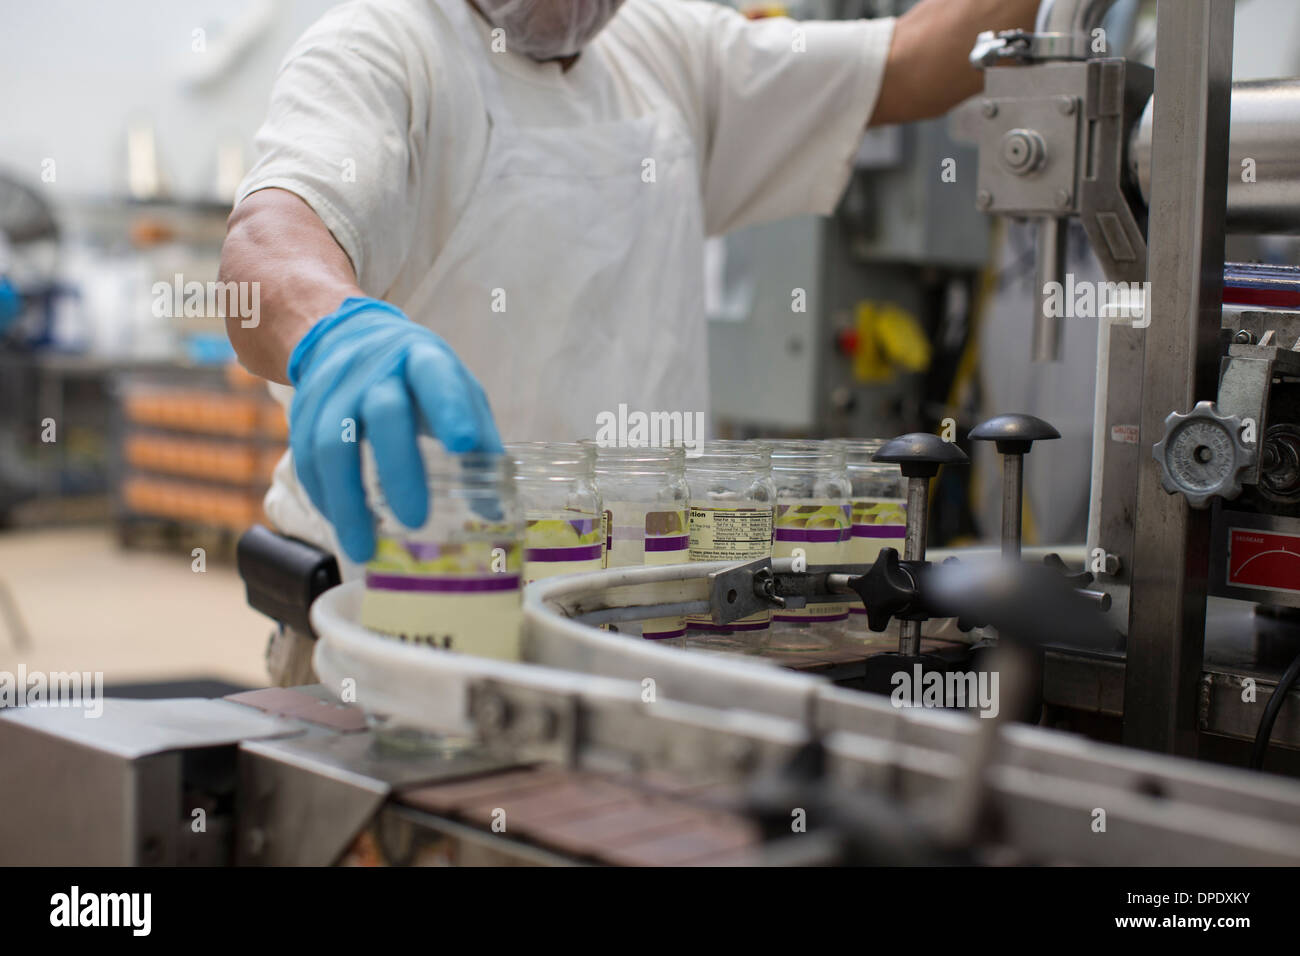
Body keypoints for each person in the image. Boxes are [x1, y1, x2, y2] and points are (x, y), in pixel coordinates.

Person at [221, 0, 1036, 680]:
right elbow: (270, 240)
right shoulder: (383, 46)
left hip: (644, 633)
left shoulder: (669, 48)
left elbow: (917, 61)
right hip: (407, 627)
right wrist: (338, 333)